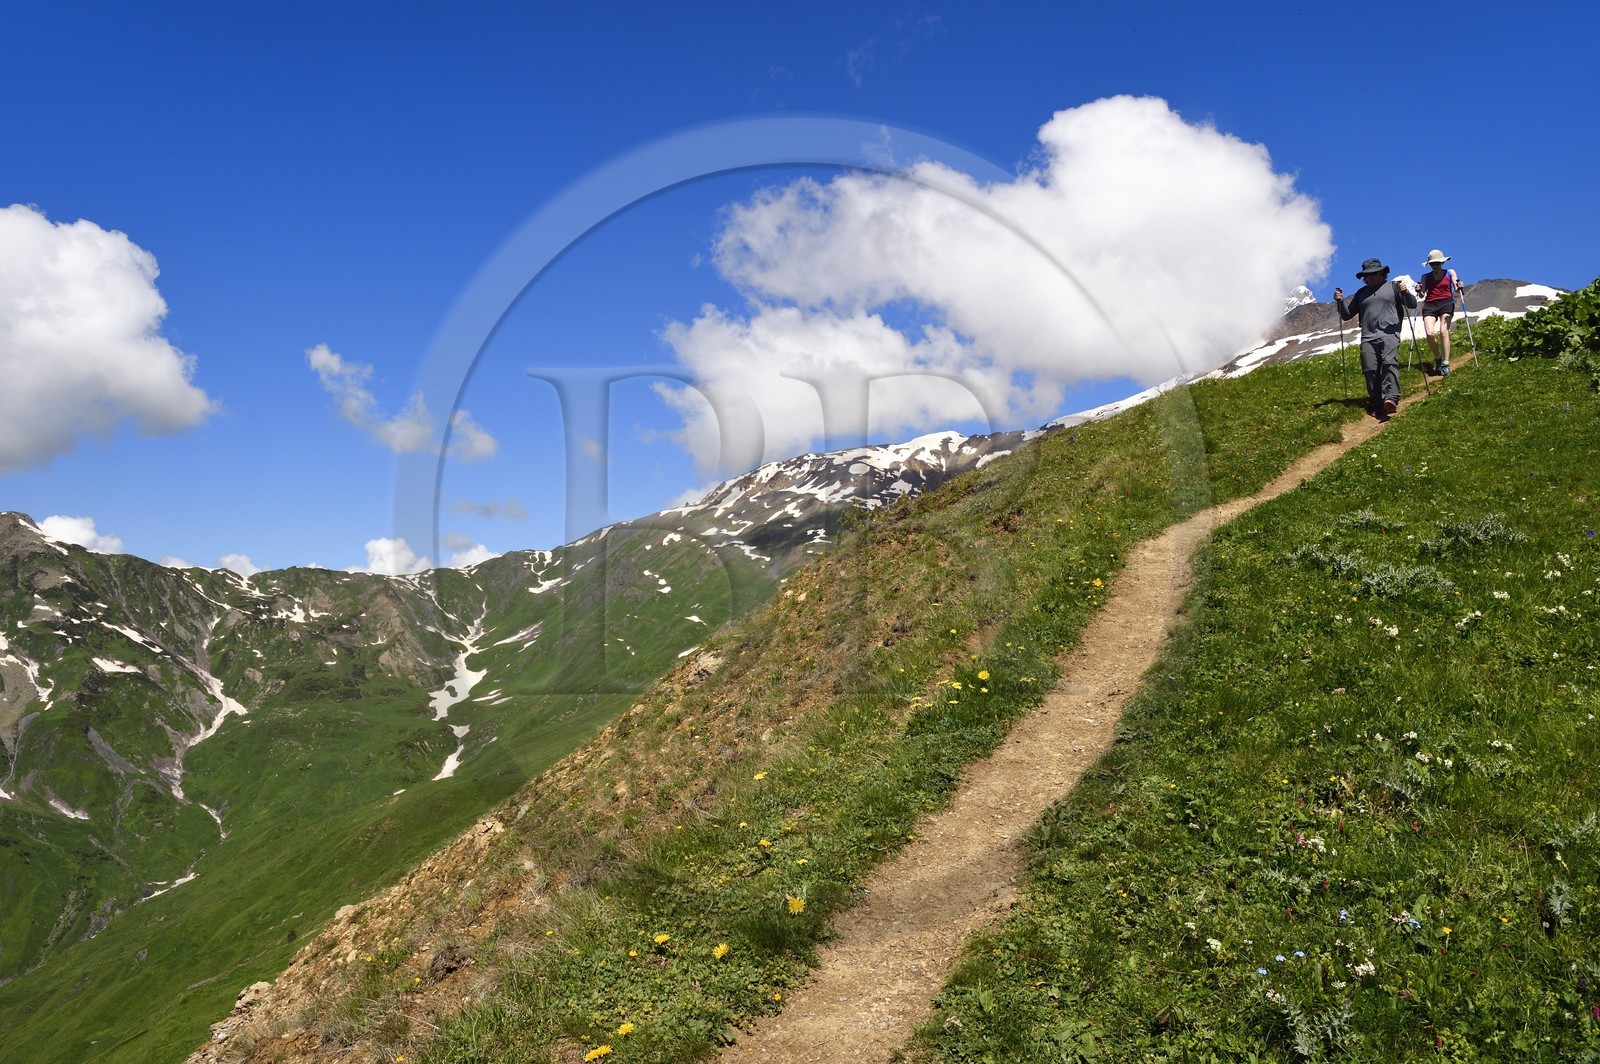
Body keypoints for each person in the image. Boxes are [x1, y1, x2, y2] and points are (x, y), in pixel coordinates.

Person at [1335, 258, 1418, 419]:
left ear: (1382, 273)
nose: (1371, 277)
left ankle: (1391, 398)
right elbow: (1346, 315)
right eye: (1368, 275)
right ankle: (1377, 403)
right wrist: (1340, 302)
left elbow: (1412, 305)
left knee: (1389, 362)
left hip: (1390, 333)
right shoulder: (1361, 294)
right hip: (1368, 336)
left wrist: (1405, 292)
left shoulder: (1393, 287)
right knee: (1370, 370)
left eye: (1374, 273)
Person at [1416, 249, 1461, 375]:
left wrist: (1459, 285)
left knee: (1443, 331)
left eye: (1437, 263)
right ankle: (1438, 359)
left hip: (1446, 303)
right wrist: (1419, 290)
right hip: (1430, 305)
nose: (1435, 266)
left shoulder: (1450, 272)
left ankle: (1445, 363)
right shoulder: (1425, 277)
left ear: (1442, 263)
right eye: (1432, 264)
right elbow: (1422, 295)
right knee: (1430, 333)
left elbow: (1456, 288)